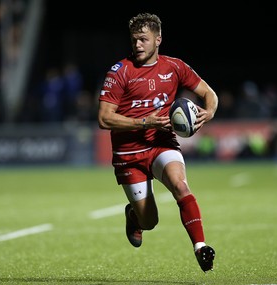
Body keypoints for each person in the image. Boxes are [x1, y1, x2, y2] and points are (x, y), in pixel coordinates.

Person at [97, 13, 218, 272]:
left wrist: (209, 112)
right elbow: (104, 118)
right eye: (134, 40)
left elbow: (209, 93)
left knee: (180, 186)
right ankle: (134, 215)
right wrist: (144, 123)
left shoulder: (174, 67)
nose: (137, 44)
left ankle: (200, 247)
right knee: (150, 221)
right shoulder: (120, 72)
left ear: (158, 39)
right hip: (128, 153)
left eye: (143, 39)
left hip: (161, 143)